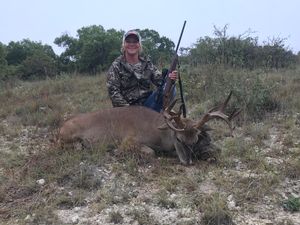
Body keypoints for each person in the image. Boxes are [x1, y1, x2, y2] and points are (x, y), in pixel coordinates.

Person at [106, 29, 177, 112]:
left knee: (171, 89)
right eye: (128, 41)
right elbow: (114, 93)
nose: (131, 44)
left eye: (135, 41)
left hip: (148, 105)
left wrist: (170, 79)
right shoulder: (116, 66)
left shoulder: (147, 63)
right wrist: (131, 112)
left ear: (139, 45)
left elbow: (160, 81)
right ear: (124, 45)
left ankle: (160, 114)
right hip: (127, 109)